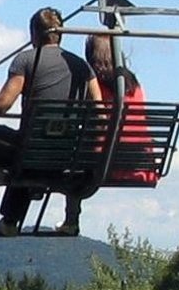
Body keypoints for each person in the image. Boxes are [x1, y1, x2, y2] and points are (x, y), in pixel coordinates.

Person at [0, 6, 98, 237]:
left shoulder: (26, 60)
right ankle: (9, 220)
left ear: (34, 34)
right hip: (62, 154)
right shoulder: (82, 67)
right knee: (29, 145)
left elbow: (3, 103)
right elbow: (98, 104)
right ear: (60, 34)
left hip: (29, 152)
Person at [59, 34, 156, 235]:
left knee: (74, 160)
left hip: (106, 160)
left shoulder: (94, 86)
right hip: (139, 161)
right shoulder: (134, 85)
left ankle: (71, 220)